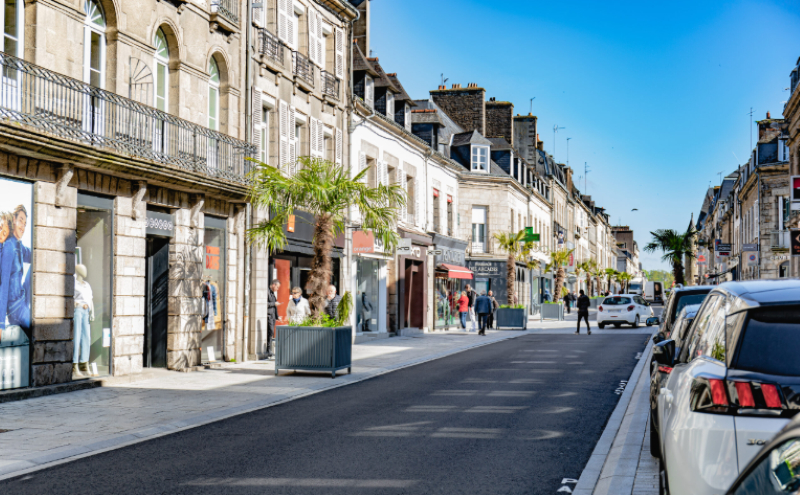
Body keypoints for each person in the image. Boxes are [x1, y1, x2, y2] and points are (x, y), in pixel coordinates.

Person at [266, 280, 281, 359]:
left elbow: (275, 307)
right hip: (268, 316)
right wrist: (273, 304)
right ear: (274, 285)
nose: (277, 289)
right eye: (277, 287)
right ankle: (268, 350)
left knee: (271, 333)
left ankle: (269, 350)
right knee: (270, 332)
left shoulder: (272, 293)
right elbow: (265, 304)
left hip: (272, 316)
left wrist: (277, 316)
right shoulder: (267, 292)